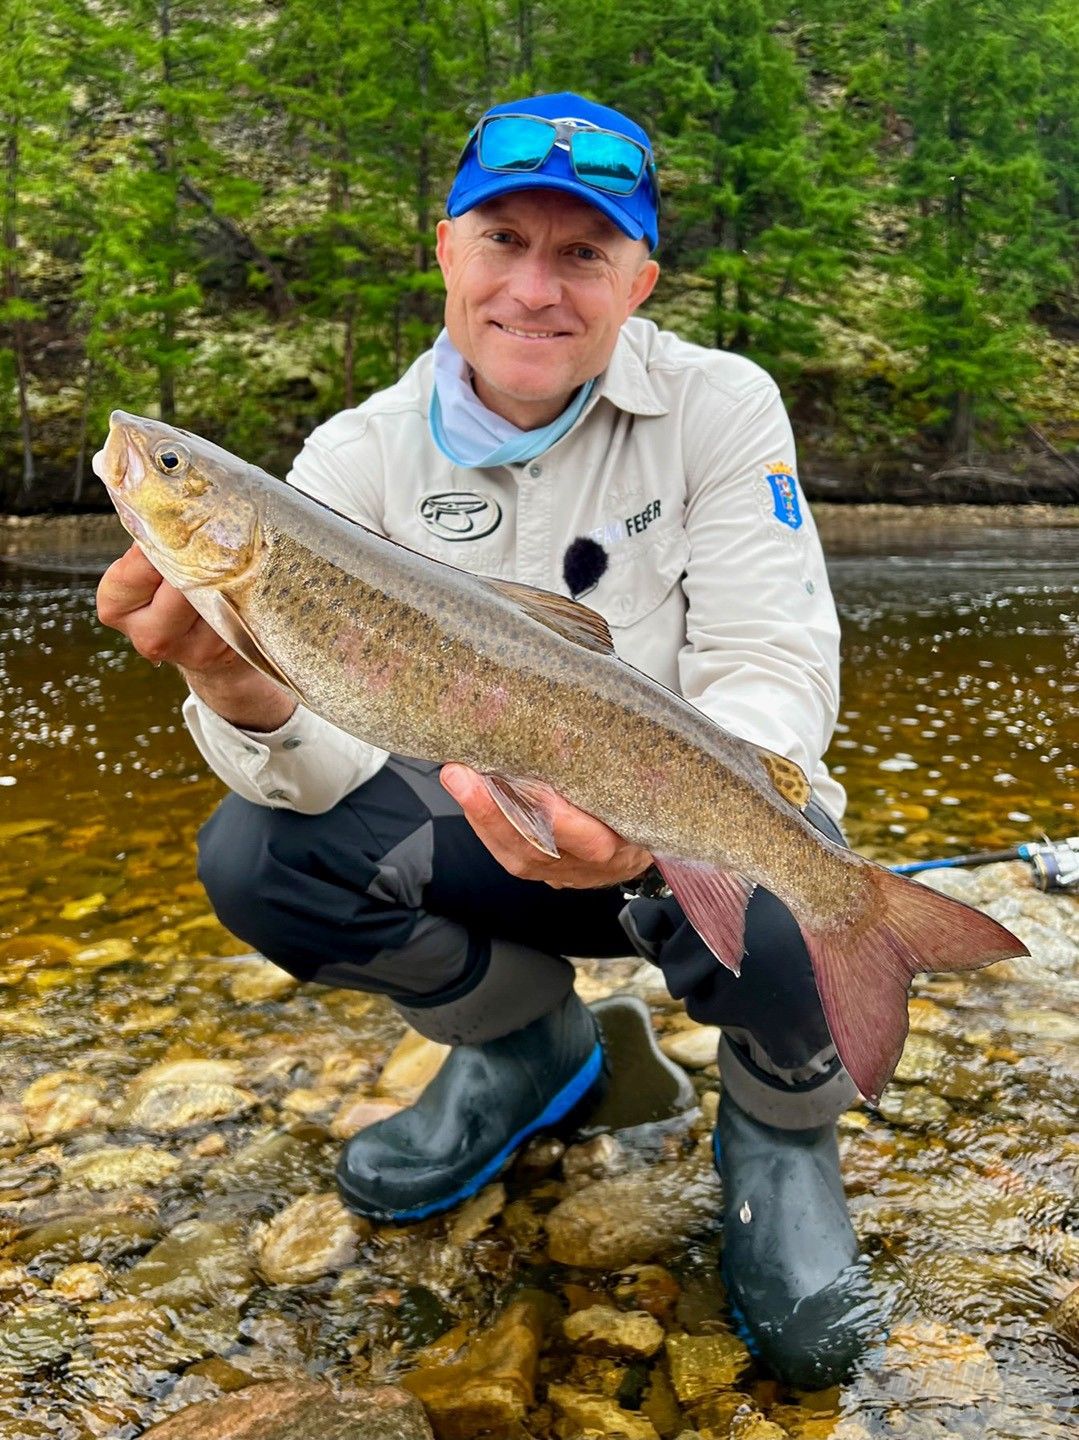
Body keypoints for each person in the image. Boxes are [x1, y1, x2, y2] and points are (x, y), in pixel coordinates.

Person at [96, 92, 879, 1388]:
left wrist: (665, 812)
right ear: (444, 248)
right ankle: (529, 1055)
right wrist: (242, 692)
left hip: (664, 830)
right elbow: (328, 774)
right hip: (472, 833)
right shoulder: (347, 461)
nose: (537, 286)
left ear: (642, 279)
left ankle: (784, 1128)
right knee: (256, 854)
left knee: (798, 872)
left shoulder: (725, 406)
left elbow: (773, 659)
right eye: (504, 238)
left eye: (582, 252)